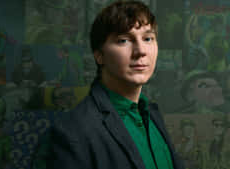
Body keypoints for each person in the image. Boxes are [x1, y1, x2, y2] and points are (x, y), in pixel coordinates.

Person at [45, 1, 184, 169]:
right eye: (123, 40)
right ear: (99, 56)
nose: (141, 51)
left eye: (148, 38)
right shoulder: (71, 132)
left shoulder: (152, 113)